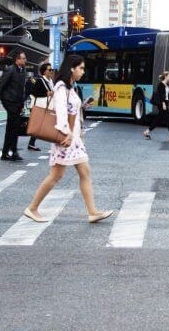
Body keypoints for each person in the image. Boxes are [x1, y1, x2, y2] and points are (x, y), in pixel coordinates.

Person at [22, 54, 113, 224]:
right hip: (66, 138)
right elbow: (62, 113)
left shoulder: (71, 87)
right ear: (72, 68)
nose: (83, 72)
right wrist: (68, 134)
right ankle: (32, 208)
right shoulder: (61, 87)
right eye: (81, 68)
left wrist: (83, 107)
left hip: (73, 138)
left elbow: (72, 110)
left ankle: (93, 212)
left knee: (84, 172)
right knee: (56, 175)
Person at [0, 51, 30, 161]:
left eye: (25, 58)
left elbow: (21, 89)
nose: (25, 60)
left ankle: (6, 152)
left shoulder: (23, 71)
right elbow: (1, 84)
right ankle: (13, 152)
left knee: (12, 127)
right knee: (14, 127)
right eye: (23, 58)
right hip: (9, 101)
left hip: (17, 102)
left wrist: (22, 104)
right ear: (17, 60)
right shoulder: (11, 70)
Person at [26, 62, 56, 150]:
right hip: (39, 107)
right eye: (49, 70)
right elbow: (34, 92)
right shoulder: (40, 80)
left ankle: (31, 143)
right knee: (38, 126)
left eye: (52, 69)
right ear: (44, 71)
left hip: (47, 106)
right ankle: (32, 143)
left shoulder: (50, 81)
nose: (51, 71)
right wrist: (46, 93)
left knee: (40, 126)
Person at [145, 71, 169, 141]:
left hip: (165, 103)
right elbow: (161, 96)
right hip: (162, 104)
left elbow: (168, 96)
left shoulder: (166, 85)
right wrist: (163, 104)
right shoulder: (161, 85)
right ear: (166, 76)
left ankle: (147, 131)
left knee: (158, 119)